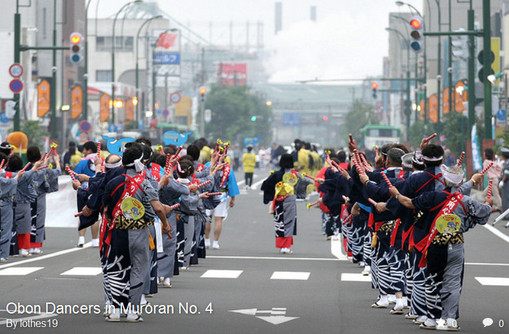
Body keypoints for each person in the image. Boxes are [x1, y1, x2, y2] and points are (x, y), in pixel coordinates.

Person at [389, 166, 491, 331]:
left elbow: (408, 203)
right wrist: (487, 204)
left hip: (435, 245)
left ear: (443, 180)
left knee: (432, 281)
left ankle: (432, 319)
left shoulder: (432, 197)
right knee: (453, 283)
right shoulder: (465, 200)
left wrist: (396, 194)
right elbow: (484, 213)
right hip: (456, 246)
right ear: (461, 182)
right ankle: (451, 320)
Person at [102, 143, 170, 322]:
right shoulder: (145, 182)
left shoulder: (113, 182)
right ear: (140, 163)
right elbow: (158, 208)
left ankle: (115, 311)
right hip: (139, 232)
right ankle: (133, 311)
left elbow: (107, 209)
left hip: (118, 232)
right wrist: (165, 224)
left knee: (117, 269)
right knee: (139, 269)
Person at [261, 153, 298, 254]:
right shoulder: (294, 174)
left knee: (280, 223)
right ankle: (287, 247)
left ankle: (282, 246)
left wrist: (272, 193)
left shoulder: (276, 174)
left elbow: (265, 185)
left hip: (279, 202)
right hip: (290, 201)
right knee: (289, 224)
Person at [204, 149, 239, 249]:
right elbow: (232, 184)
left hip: (208, 193)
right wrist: (233, 198)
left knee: (207, 218)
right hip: (221, 194)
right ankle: (215, 242)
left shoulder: (207, 165)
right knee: (218, 219)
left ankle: (206, 240)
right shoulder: (227, 168)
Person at [73, 141, 100, 247]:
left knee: (82, 212)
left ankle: (81, 239)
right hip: (97, 190)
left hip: (84, 189)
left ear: (89, 150)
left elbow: (75, 176)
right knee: (96, 215)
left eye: (84, 149)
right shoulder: (100, 161)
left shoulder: (82, 162)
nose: (83, 152)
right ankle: (94, 240)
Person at [483, 148, 502, 212]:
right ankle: (492, 205)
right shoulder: (494, 162)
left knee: (495, 194)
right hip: (494, 179)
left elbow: (484, 171)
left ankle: (500, 207)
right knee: (484, 194)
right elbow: (500, 168)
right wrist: (497, 174)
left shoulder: (486, 162)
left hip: (492, 180)